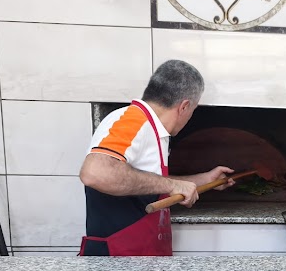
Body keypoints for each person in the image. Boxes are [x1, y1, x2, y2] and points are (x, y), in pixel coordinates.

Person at [78, 60, 234, 256]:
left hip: (141, 258)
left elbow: (149, 181)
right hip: (117, 261)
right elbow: (95, 173)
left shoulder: (153, 128)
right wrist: (172, 186)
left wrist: (203, 180)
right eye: (193, 111)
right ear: (184, 106)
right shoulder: (133, 121)